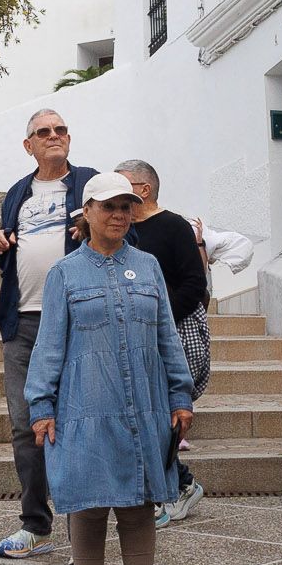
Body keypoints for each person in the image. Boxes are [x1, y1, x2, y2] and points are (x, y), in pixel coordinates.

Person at [23, 171, 195, 565]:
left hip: (143, 404)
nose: (119, 215)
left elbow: (167, 336)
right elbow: (49, 344)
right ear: (87, 213)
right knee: (88, 504)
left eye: (126, 206)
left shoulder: (149, 267)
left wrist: (180, 396)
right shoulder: (64, 274)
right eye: (108, 207)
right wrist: (41, 404)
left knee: (139, 506)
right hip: (83, 404)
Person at [0, 109, 97, 559]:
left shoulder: (90, 182)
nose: (54, 137)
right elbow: (11, 256)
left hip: (76, 319)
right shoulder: (17, 192)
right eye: (43, 132)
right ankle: (36, 524)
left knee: (79, 423)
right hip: (22, 321)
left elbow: (119, 233)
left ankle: (83, 533)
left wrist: (90, 229)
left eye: (60, 130)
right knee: (23, 425)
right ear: (28, 144)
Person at [112, 159, 210, 526]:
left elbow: (194, 286)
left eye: (120, 185)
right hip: (132, 339)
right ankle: (175, 485)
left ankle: (178, 487)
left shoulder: (172, 226)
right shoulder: (121, 231)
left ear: (143, 189)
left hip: (171, 335)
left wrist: (157, 321)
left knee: (161, 418)